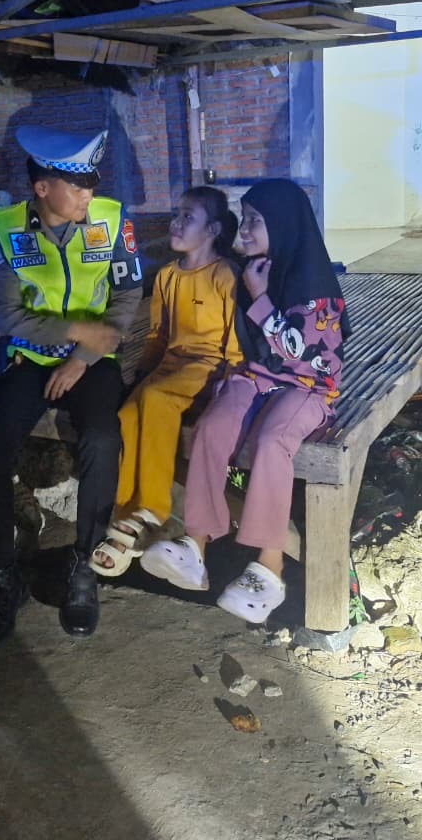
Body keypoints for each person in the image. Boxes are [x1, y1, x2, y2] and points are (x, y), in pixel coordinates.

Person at [142, 179, 350, 625]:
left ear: (282, 224)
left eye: (256, 220)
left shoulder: (315, 284)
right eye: (245, 219)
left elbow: (304, 353)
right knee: (213, 427)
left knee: (272, 442)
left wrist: (260, 298)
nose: (246, 230)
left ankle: (269, 569)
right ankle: (195, 547)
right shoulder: (252, 269)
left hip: (308, 386)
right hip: (256, 377)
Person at [0, 124, 143, 645]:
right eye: (78, 184)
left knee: (102, 439)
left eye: (92, 182)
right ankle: (3, 576)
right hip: (31, 360)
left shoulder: (112, 220)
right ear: (43, 188)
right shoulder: (5, 229)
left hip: (95, 362)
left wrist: (83, 356)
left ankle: (83, 567)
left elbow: (126, 298)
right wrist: (72, 332)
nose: (90, 193)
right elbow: (7, 316)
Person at [89, 186, 243, 576]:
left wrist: (230, 383)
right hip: (171, 366)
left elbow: (235, 341)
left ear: (212, 230)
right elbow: (158, 336)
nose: (176, 222)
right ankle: (125, 514)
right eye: (177, 214)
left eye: (188, 216)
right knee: (128, 411)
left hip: (208, 366)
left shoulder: (225, 274)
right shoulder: (168, 276)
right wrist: (141, 374)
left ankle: (153, 510)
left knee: (156, 399)